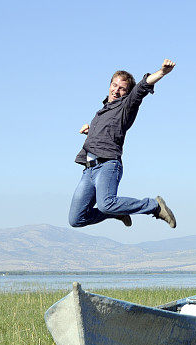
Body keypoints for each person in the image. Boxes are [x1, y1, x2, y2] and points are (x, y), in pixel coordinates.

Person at [68, 59, 177, 229]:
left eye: (122, 88)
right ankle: (117, 211)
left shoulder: (126, 106)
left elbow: (141, 89)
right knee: (76, 219)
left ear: (127, 93)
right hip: (88, 171)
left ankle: (154, 206)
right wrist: (90, 131)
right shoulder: (102, 111)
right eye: (114, 85)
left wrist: (161, 72)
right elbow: (109, 133)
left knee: (105, 204)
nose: (116, 90)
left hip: (107, 165)